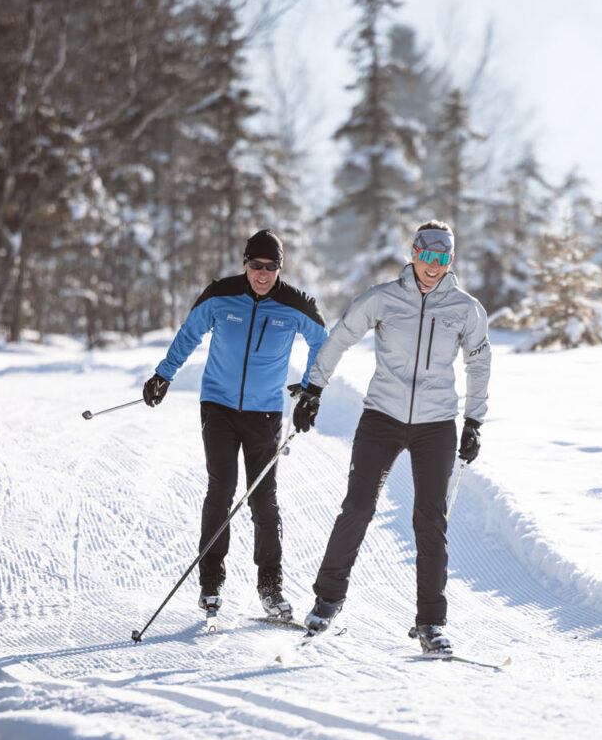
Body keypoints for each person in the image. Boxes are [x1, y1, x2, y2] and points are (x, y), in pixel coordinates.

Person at [290, 220, 491, 655]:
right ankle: (327, 600)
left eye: (442, 258)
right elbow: (341, 336)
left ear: (450, 261)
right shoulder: (383, 298)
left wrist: (473, 421)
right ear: (414, 252)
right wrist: (314, 388)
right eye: (427, 255)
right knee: (359, 506)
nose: (433, 266)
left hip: (436, 425)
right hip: (382, 416)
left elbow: (478, 364)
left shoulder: (465, 308)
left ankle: (431, 623)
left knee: (430, 521)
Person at [142, 229, 328, 623]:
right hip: (218, 407)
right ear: (245, 263)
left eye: (271, 266)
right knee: (221, 488)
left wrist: (312, 391)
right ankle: (211, 583)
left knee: (263, 499)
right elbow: (189, 333)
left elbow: (324, 343)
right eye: (256, 265)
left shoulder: (296, 304)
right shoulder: (219, 295)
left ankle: (270, 587)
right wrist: (164, 374)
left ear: (280, 268)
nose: (263, 273)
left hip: (265, 413)